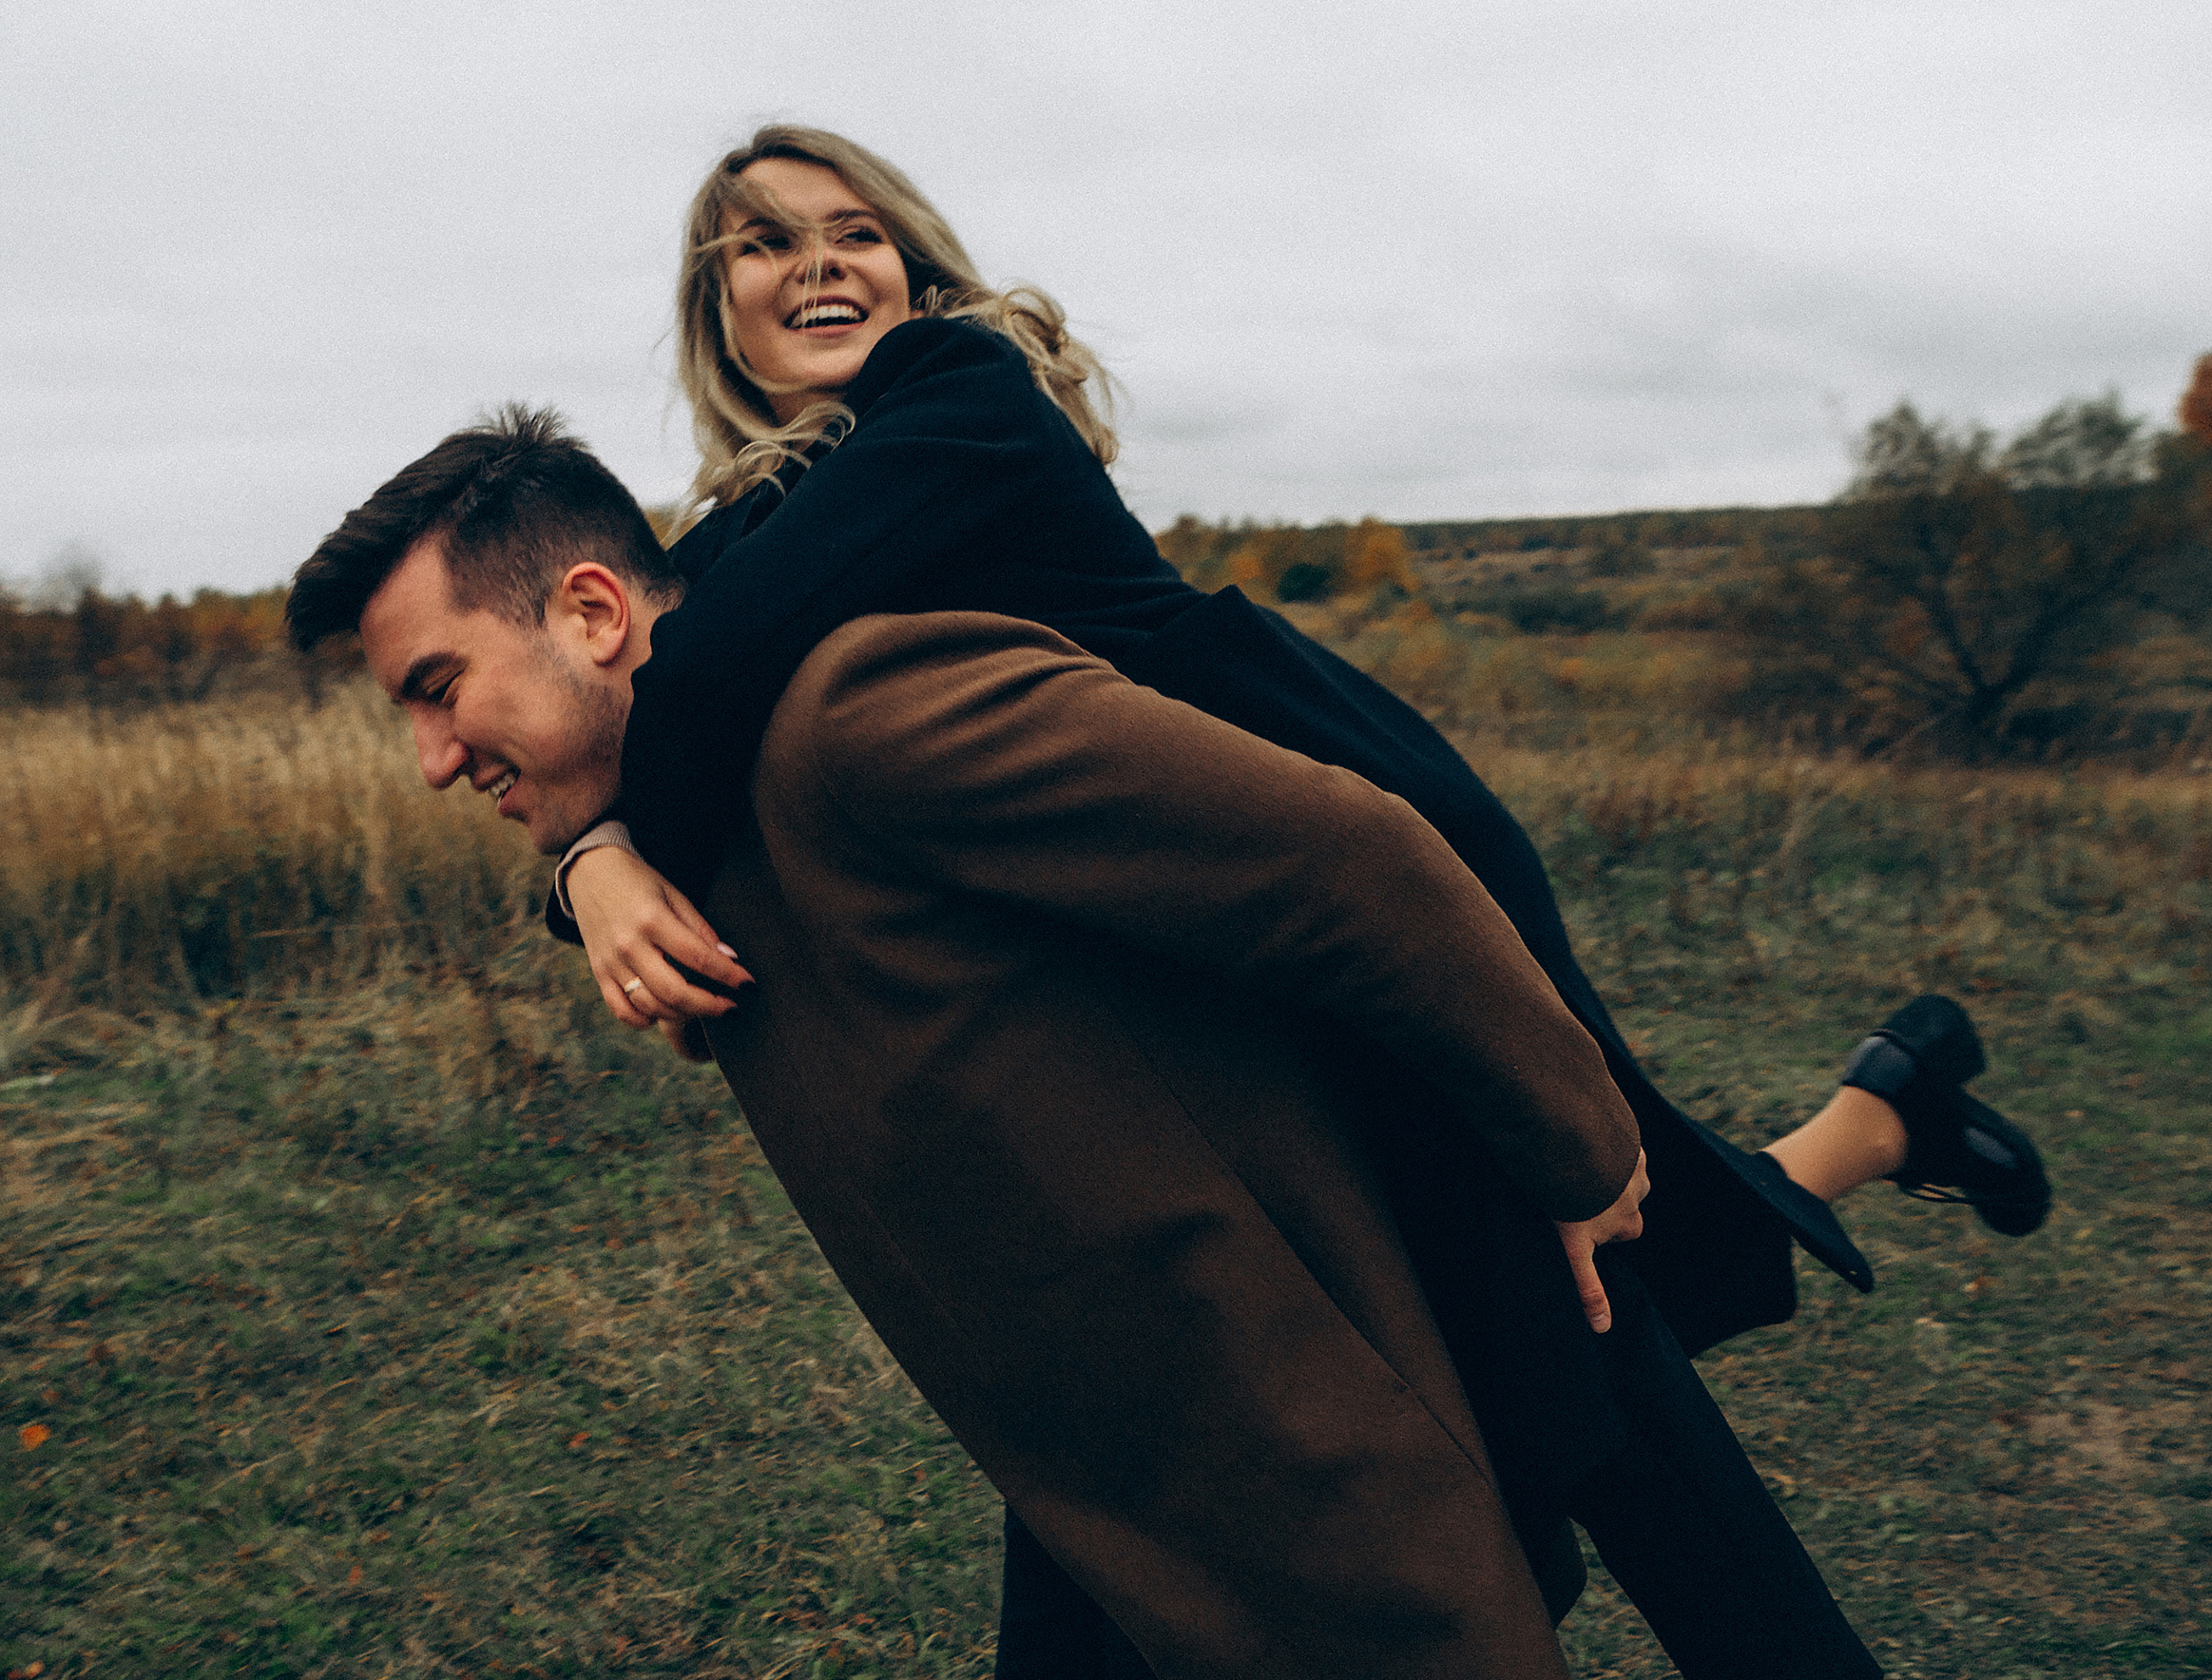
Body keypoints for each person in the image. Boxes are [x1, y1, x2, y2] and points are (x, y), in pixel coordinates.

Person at [531, 126, 2053, 1669]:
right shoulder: (760, 518)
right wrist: (587, 856)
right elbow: (638, 705)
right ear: (714, 308)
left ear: (913, 264)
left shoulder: (956, 392)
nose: (814, 268)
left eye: (849, 232)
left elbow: (698, 685)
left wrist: (596, 850)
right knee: (1532, 1323)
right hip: (1188, 963)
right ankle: (1886, 1115)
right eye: (765, 245)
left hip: (1340, 880)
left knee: (1585, 1341)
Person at [290, 411, 1895, 1676]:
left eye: (441, 689)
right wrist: (587, 859)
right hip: (1114, 1500)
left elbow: (1350, 861)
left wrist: (1585, 1138)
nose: (432, 760)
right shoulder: (669, 848)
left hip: (1304, 1469)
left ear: (589, 611)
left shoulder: (857, 712)